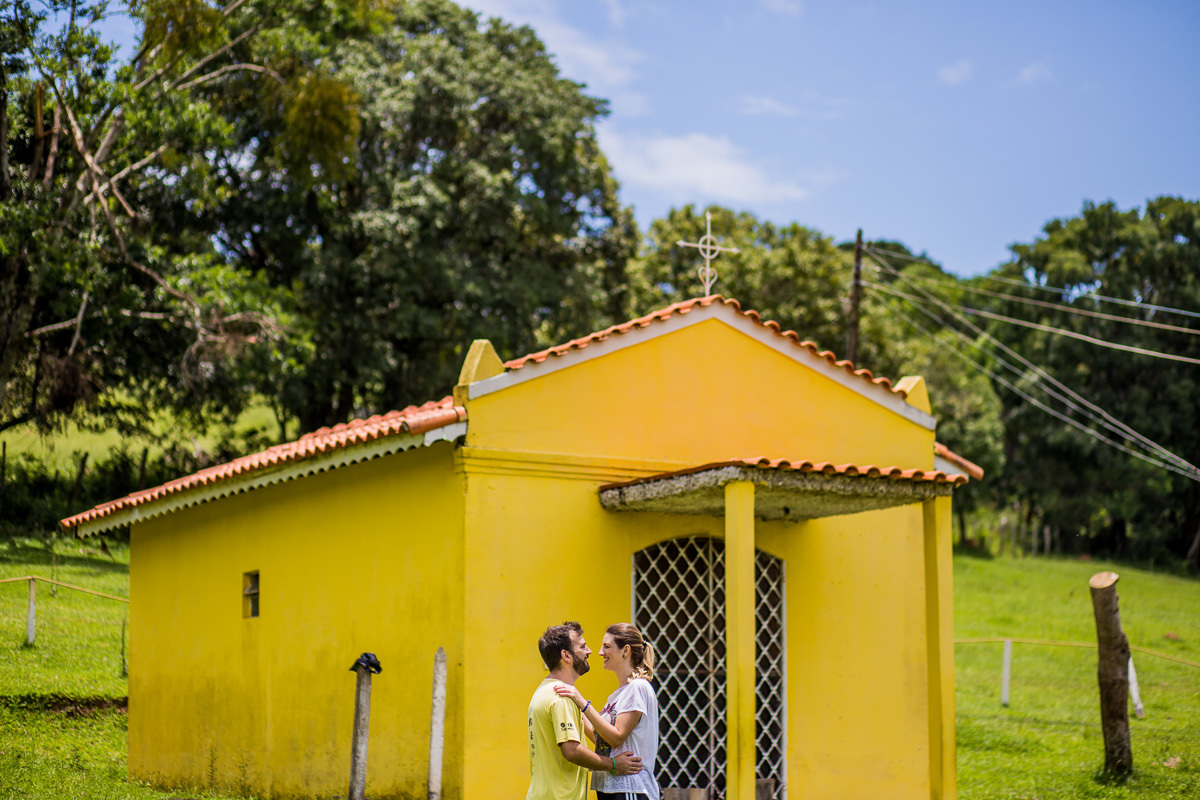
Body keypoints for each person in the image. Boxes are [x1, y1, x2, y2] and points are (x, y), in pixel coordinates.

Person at [528, 622, 643, 800]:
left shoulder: (545, 690)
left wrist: (584, 707)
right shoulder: (561, 696)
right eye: (582, 646)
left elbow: (593, 736)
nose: (590, 651)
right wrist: (613, 764)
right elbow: (572, 751)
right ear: (566, 655)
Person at [554, 622, 660, 800]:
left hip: (630, 789)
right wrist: (573, 704)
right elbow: (601, 739)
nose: (600, 652)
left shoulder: (638, 687)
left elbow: (616, 737)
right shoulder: (618, 695)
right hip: (610, 789)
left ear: (625, 651)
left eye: (607, 646)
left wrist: (582, 703)